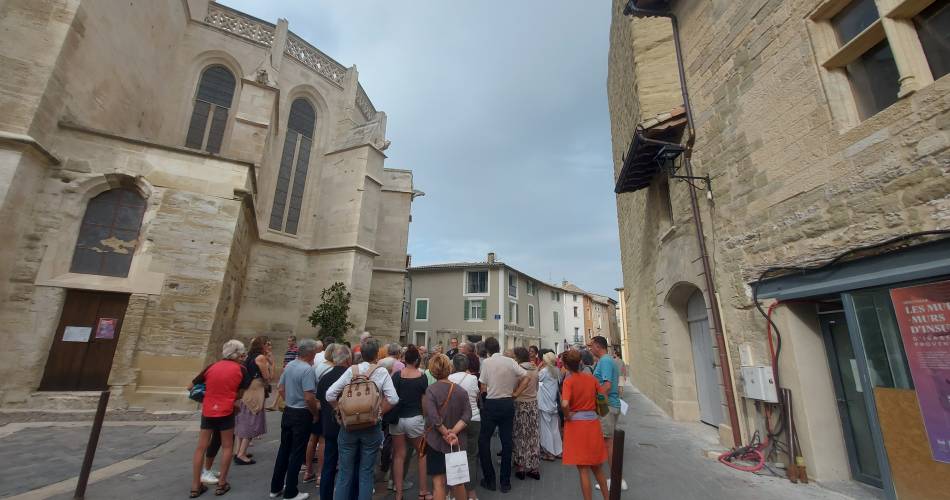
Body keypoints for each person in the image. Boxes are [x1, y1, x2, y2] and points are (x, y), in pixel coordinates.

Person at [327, 338, 399, 500]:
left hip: (349, 426)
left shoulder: (351, 371)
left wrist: (340, 411)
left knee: (345, 472)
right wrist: (379, 412)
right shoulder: (381, 372)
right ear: (376, 355)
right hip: (371, 425)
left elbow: (329, 394)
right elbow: (393, 399)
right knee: (366, 472)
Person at [189, 340, 249, 497]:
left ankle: (195, 485)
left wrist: (209, 396)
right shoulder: (241, 369)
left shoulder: (212, 367)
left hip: (208, 409)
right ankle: (222, 483)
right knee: (228, 446)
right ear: (238, 353)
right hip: (226, 410)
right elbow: (241, 392)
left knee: (200, 447)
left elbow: (191, 386)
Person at [269, 338, 319, 500]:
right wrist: (315, 413)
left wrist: (289, 400)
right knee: (297, 452)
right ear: (311, 353)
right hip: (301, 413)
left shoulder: (290, 365)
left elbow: (281, 388)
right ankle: (291, 491)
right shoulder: (307, 370)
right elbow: (309, 397)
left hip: (289, 411)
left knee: (284, 450)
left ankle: (275, 487)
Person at [477, 337, 527, 493]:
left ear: (487, 350)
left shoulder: (486, 363)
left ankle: (490, 479)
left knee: (484, 440)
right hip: (507, 402)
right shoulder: (510, 361)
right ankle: (505, 482)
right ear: (499, 347)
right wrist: (516, 393)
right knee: (507, 442)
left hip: (492, 403)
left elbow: (483, 385)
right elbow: (526, 376)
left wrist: (484, 396)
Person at [561, 350, 609, 500]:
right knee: (597, 467)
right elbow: (603, 397)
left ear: (565, 365)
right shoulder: (591, 379)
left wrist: (567, 415)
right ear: (580, 362)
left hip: (577, 426)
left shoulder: (568, 381)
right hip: (593, 423)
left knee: (583, 469)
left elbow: (565, 403)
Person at [422, 354, 471, 500]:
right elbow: (467, 414)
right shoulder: (461, 390)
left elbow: (433, 417)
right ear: (450, 368)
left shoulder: (431, 390)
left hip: (436, 441)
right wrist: (453, 432)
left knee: (439, 483)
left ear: (432, 370)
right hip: (457, 440)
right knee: (458, 481)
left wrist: (445, 432)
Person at [390, 345, 431, 500]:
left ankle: (398, 493)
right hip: (415, 419)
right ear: (417, 360)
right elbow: (424, 401)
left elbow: (391, 397)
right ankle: (423, 492)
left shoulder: (396, 376)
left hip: (398, 420)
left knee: (399, 455)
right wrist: (425, 418)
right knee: (422, 452)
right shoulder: (421, 376)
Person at [590, 336, 626, 492]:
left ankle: (615, 479)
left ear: (598, 346)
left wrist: (595, 404)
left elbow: (606, 385)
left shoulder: (604, 361)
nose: (590, 349)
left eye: (592, 346)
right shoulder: (608, 360)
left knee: (608, 443)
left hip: (607, 406)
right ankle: (615, 478)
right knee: (608, 442)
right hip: (610, 405)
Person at [316, 344, 352, 500]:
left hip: (329, 427)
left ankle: (325, 496)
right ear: (348, 359)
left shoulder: (325, 377)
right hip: (347, 426)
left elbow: (319, 402)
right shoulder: (351, 377)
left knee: (328, 467)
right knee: (348, 467)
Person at [235, 336, 273, 465]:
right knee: (252, 420)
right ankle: (241, 454)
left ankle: (239, 451)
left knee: (243, 420)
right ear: (261, 345)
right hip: (256, 389)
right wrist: (270, 363)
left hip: (247, 389)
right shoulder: (261, 358)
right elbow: (267, 377)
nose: (269, 346)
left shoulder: (248, 357)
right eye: (267, 344)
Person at [303, 342, 337, 484]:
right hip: (324, 406)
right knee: (322, 441)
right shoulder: (332, 369)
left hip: (314, 404)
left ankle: (308, 470)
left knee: (312, 439)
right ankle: (320, 474)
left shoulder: (318, 366)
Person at [448, 354, 480, 500]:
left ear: (454, 365)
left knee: (454, 455)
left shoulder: (449, 379)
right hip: (473, 418)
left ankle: (453, 492)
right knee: (471, 457)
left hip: (455, 421)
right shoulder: (473, 379)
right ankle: (471, 493)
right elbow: (477, 396)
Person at [511, 347, 541, 480]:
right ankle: (534, 467)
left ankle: (521, 466)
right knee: (533, 434)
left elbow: (513, 388)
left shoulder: (517, 370)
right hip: (533, 403)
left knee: (521, 434)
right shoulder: (535, 369)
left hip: (520, 403)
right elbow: (537, 387)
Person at [538, 352, 563, 461]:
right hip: (553, 403)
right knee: (554, 428)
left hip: (544, 403)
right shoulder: (557, 371)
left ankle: (549, 452)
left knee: (545, 428)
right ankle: (558, 451)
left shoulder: (544, 371)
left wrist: (538, 367)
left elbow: (535, 378)